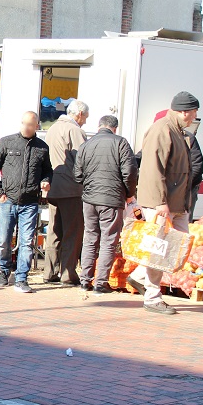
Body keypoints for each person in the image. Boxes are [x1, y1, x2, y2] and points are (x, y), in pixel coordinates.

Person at [127, 92, 200, 315]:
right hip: (162, 204)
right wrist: (160, 203)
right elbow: (152, 169)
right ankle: (152, 297)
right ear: (184, 111)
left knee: (175, 248)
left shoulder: (179, 131)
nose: (195, 117)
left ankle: (139, 276)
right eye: (194, 112)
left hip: (177, 204)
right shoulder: (162, 129)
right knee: (159, 250)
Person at [0, 111, 52, 293]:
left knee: (26, 241)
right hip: (7, 200)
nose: (26, 127)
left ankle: (22, 278)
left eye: (30, 125)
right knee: (4, 240)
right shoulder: (7, 142)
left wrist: (46, 180)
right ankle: (4, 272)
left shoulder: (42, 148)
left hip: (30, 202)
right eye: (24, 123)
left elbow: (48, 170)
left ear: (37, 126)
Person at [73, 115, 137, 295]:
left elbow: (77, 174)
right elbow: (130, 172)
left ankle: (85, 280)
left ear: (99, 126)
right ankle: (100, 283)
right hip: (112, 199)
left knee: (90, 238)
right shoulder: (121, 143)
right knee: (109, 240)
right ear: (114, 128)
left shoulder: (86, 145)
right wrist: (129, 193)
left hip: (89, 199)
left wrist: (89, 186)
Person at [43, 100, 89, 286]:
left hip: (53, 187)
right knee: (72, 231)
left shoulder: (52, 129)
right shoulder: (75, 130)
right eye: (85, 117)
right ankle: (68, 274)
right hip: (71, 188)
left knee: (54, 230)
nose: (85, 121)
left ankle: (49, 271)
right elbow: (82, 160)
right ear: (78, 114)